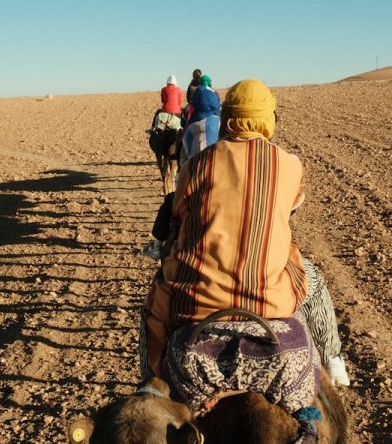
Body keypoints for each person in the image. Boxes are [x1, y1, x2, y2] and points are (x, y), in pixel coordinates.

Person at [142, 78, 350, 388]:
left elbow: (177, 215)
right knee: (315, 280)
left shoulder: (195, 166)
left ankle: (150, 388)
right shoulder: (291, 165)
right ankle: (333, 361)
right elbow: (291, 208)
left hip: (198, 298)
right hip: (270, 297)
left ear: (227, 116)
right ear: (268, 118)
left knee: (153, 306)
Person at [182, 74, 221, 159]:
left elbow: (189, 100)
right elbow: (217, 108)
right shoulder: (214, 92)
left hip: (196, 118)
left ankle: (184, 161)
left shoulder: (193, 88)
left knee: (184, 137)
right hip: (213, 119)